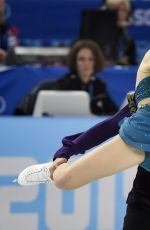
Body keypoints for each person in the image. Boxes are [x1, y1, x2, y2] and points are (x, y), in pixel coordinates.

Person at [17, 50, 150, 227]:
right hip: (144, 194)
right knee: (65, 180)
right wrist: (68, 149)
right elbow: (116, 121)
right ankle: (52, 170)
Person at [14, 40, 118, 116]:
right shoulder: (64, 84)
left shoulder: (99, 85)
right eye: (81, 59)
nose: (86, 63)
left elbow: (115, 113)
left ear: (96, 62)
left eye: (91, 59)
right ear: (75, 61)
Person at [101, 0, 136, 66]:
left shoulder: (128, 41)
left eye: (124, 10)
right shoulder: (95, 34)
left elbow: (132, 67)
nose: (120, 13)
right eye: (116, 9)